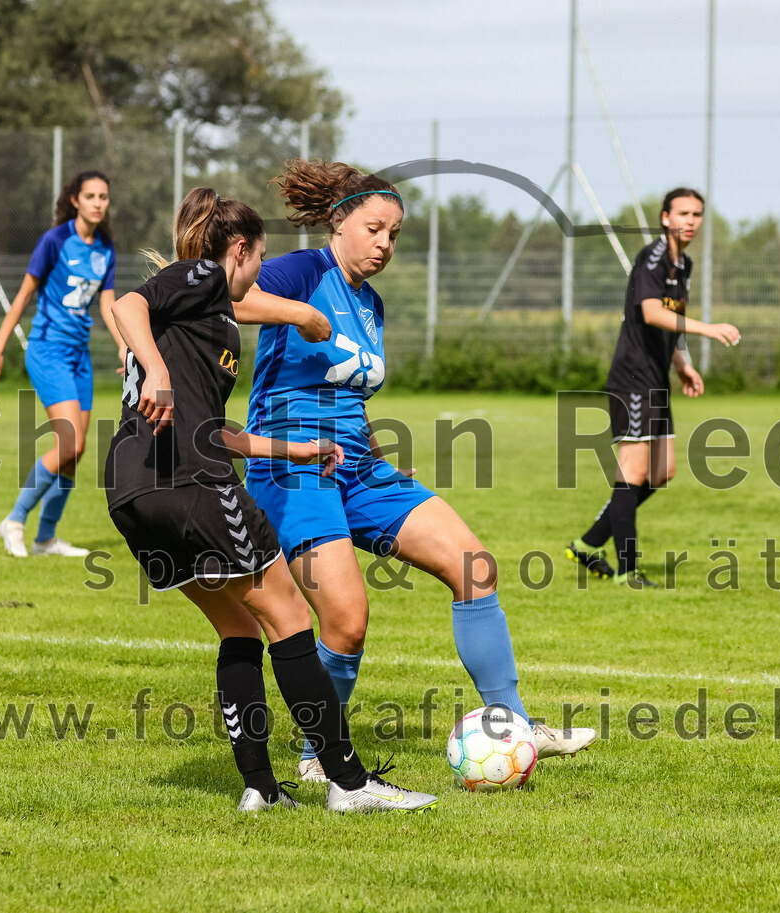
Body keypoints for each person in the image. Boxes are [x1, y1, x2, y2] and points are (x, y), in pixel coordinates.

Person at [238, 160, 598, 783]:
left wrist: (374, 454)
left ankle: (512, 723)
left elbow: (350, 397)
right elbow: (231, 298)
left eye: (394, 234)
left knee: (473, 565)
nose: (385, 244)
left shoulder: (371, 303)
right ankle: (318, 757)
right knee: (347, 623)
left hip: (357, 468)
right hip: (292, 470)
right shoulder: (301, 271)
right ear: (339, 220)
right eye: (375, 228)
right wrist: (297, 315)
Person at [104, 187, 437, 814]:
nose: (261, 272)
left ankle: (260, 787)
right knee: (291, 617)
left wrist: (295, 452)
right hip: (189, 484)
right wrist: (155, 370)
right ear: (240, 251)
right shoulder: (204, 280)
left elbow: (213, 429)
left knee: (237, 626)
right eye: (259, 258)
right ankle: (349, 782)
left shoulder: (208, 322)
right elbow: (126, 304)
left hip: (132, 490)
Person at [565, 188, 742, 588]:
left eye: (697, 214)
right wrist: (708, 329)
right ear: (665, 217)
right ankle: (627, 570)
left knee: (662, 472)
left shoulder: (684, 265)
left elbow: (669, 320)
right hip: (632, 378)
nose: (691, 220)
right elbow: (650, 312)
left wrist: (683, 365)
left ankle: (589, 543)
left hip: (656, 380)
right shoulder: (654, 257)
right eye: (683, 213)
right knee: (633, 472)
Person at [0, 170, 126, 558]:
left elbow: (108, 304)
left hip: (78, 357)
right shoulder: (54, 241)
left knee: (75, 453)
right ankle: (14, 519)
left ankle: (46, 539)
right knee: (71, 442)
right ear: (75, 200)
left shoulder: (106, 248)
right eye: (90, 196)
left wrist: (124, 347)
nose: (98, 202)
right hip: (47, 350)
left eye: (103, 197)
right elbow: (24, 296)